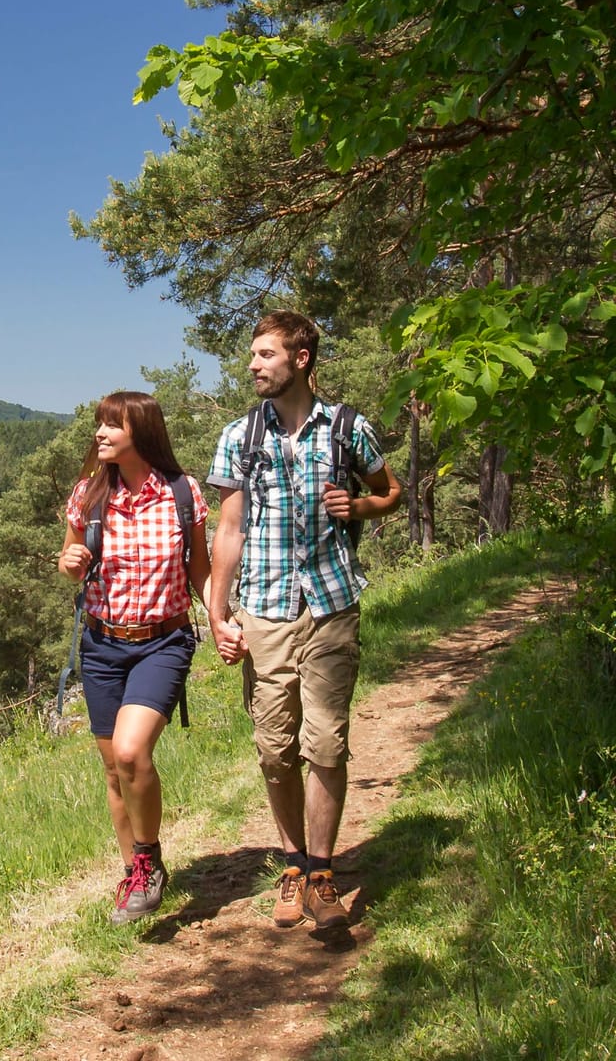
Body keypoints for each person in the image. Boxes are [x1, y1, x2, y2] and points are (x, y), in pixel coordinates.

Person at [206, 310, 401, 932]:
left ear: (301, 359)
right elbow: (229, 530)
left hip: (330, 604)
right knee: (274, 749)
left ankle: (320, 872)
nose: (254, 365)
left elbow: (388, 491)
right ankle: (291, 864)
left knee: (326, 743)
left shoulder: (348, 428)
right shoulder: (238, 437)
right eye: (253, 355)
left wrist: (362, 505)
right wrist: (217, 612)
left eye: (265, 354)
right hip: (262, 610)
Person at [59, 391, 210, 923]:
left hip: (163, 642)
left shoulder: (182, 493)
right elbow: (71, 561)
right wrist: (72, 560)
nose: (99, 433)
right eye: (99, 424)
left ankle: (145, 860)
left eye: (110, 425)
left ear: (140, 432)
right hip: (101, 645)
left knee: (129, 753)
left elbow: (201, 568)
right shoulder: (88, 494)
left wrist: (222, 618)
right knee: (112, 771)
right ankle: (138, 877)